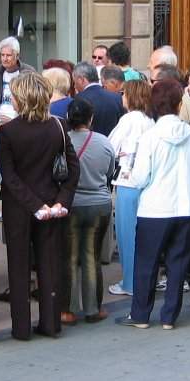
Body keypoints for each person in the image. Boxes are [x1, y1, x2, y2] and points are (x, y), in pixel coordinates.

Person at [120, 79, 190, 329]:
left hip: (154, 208)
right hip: (186, 207)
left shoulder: (150, 137)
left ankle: (140, 315)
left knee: (146, 262)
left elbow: (140, 178)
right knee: (177, 264)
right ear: (179, 105)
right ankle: (170, 316)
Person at [0, 73, 80, 340]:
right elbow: (73, 169)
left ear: (20, 99)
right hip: (52, 202)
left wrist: (35, 205)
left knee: (19, 266)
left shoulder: (8, 131)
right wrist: (61, 201)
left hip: (19, 207)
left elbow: (9, 176)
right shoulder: (58, 126)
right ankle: (50, 323)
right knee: (50, 265)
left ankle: (21, 328)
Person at [63, 98, 116, 325]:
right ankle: (93, 308)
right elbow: (110, 172)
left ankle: (69, 309)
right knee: (91, 256)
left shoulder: (63, 141)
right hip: (99, 203)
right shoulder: (103, 142)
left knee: (70, 257)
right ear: (91, 118)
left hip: (71, 203)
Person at [107, 79, 155, 297]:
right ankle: (141, 279)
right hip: (146, 182)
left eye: (124, 93)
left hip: (127, 181)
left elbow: (110, 146)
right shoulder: (149, 120)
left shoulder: (128, 119)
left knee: (127, 235)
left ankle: (130, 282)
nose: (122, 97)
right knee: (143, 236)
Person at [0, 36, 36, 121]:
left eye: (8, 55)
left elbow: (33, 100)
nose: (5, 59)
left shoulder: (28, 72)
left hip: (20, 121)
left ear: (17, 56)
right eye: (2, 55)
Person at [73, 61, 125, 137]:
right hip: (112, 143)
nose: (74, 86)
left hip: (89, 142)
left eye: (74, 81)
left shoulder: (79, 99)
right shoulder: (117, 98)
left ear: (81, 79)